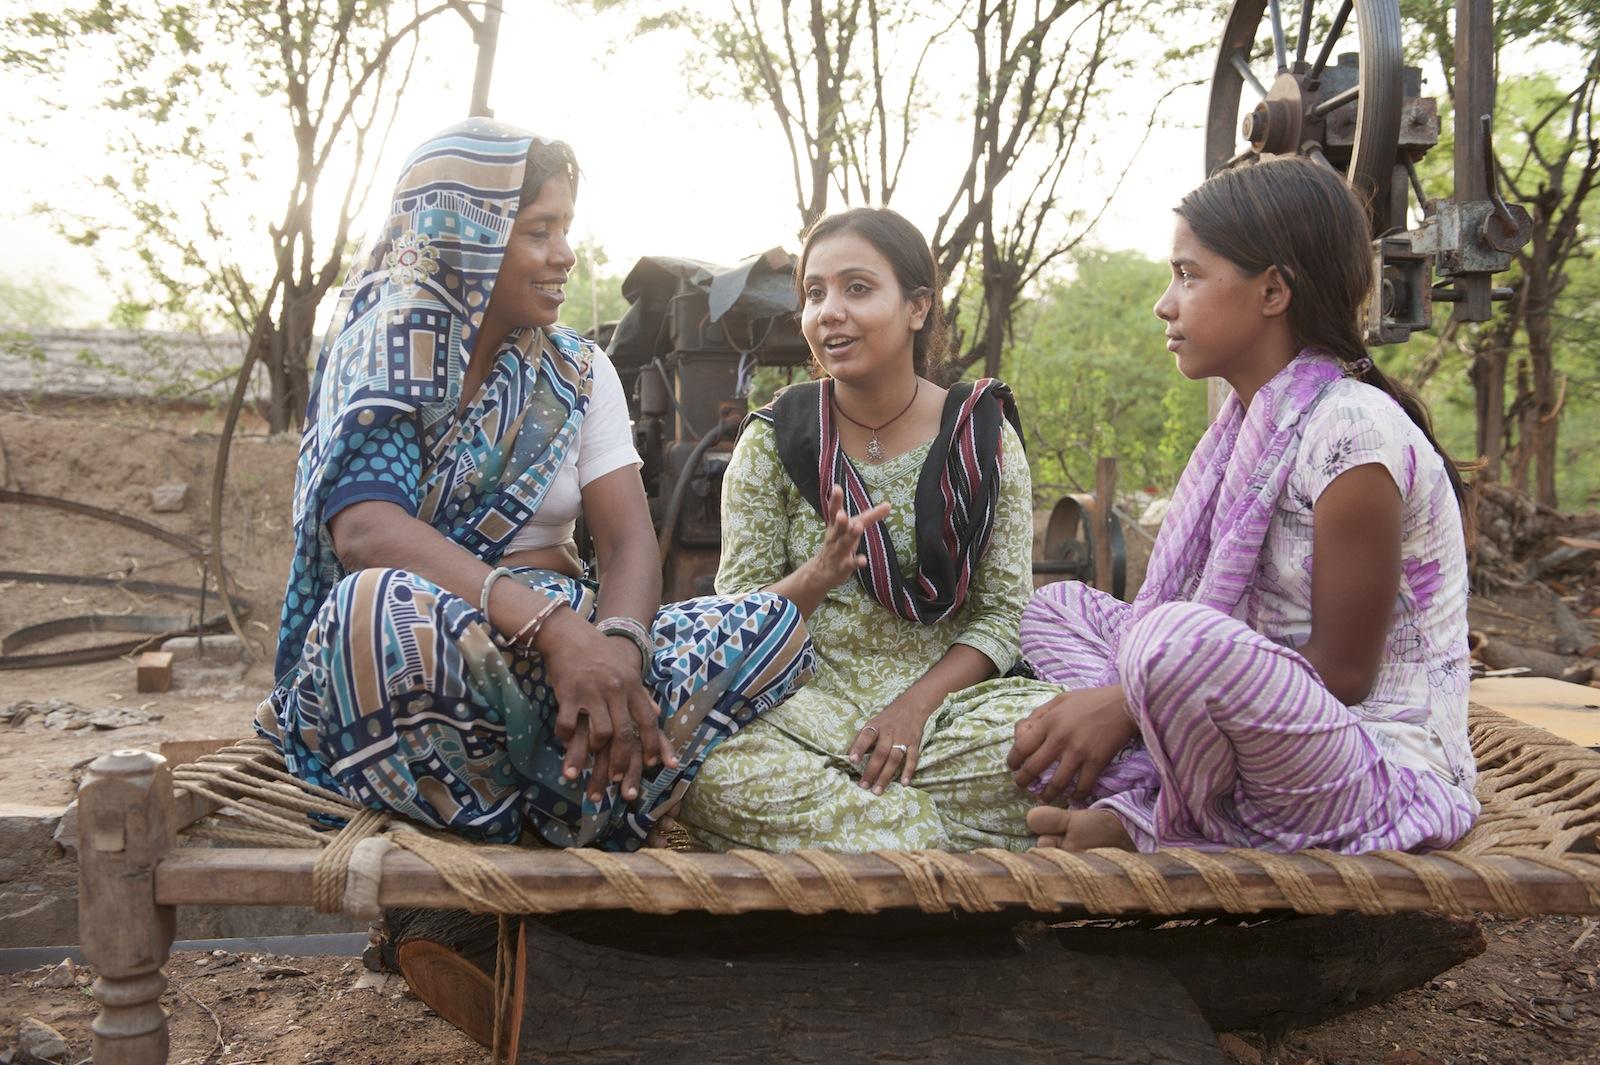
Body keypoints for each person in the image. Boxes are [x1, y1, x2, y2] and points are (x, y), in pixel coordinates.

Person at [257, 119, 816, 852]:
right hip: (444, 655)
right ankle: (576, 793)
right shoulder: (388, 348)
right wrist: (554, 635)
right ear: (468, 236)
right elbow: (366, 530)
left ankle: (570, 771)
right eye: (539, 230)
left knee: (773, 628)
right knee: (376, 610)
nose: (565, 253)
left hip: (573, 654)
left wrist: (616, 648)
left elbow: (626, 547)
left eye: (566, 227)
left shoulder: (580, 373)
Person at [1014, 157, 1478, 854]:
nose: (1164, 303)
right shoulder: (1244, 430)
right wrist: (1135, 688)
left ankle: (1153, 808)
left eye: (1189, 275)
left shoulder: (1353, 431)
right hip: (1254, 726)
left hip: (1370, 768)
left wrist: (1122, 703)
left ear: (1271, 290)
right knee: (1054, 609)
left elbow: (1346, 675)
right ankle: (1165, 781)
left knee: (1168, 641)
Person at [678, 207, 1049, 852]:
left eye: (857, 288)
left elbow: (1000, 618)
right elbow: (739, 621)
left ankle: (854, 841)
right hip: (800, 711)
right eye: (814, 294)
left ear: (916, 307)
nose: (829, 312)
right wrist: (816, 578)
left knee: (1054, 738)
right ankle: (935, 844)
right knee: (703, 764)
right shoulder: (774, 441)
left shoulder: (981, 439)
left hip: (949, 716)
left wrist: (914, 708)